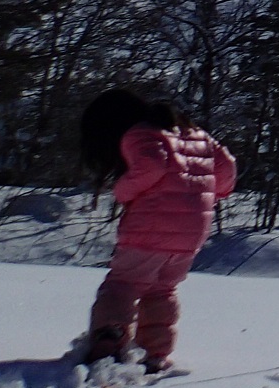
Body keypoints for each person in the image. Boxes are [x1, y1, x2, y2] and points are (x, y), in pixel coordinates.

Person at [78, 89, 237, 372]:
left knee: (122, 285)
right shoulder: (198, 135)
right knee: (162, 289)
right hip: (190, 234)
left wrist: (123, 191)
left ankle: (108, 343)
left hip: (149, 228)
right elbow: (227, 172)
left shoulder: (141, 133)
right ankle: (155, 353)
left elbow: (151, 166)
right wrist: (211, 192)